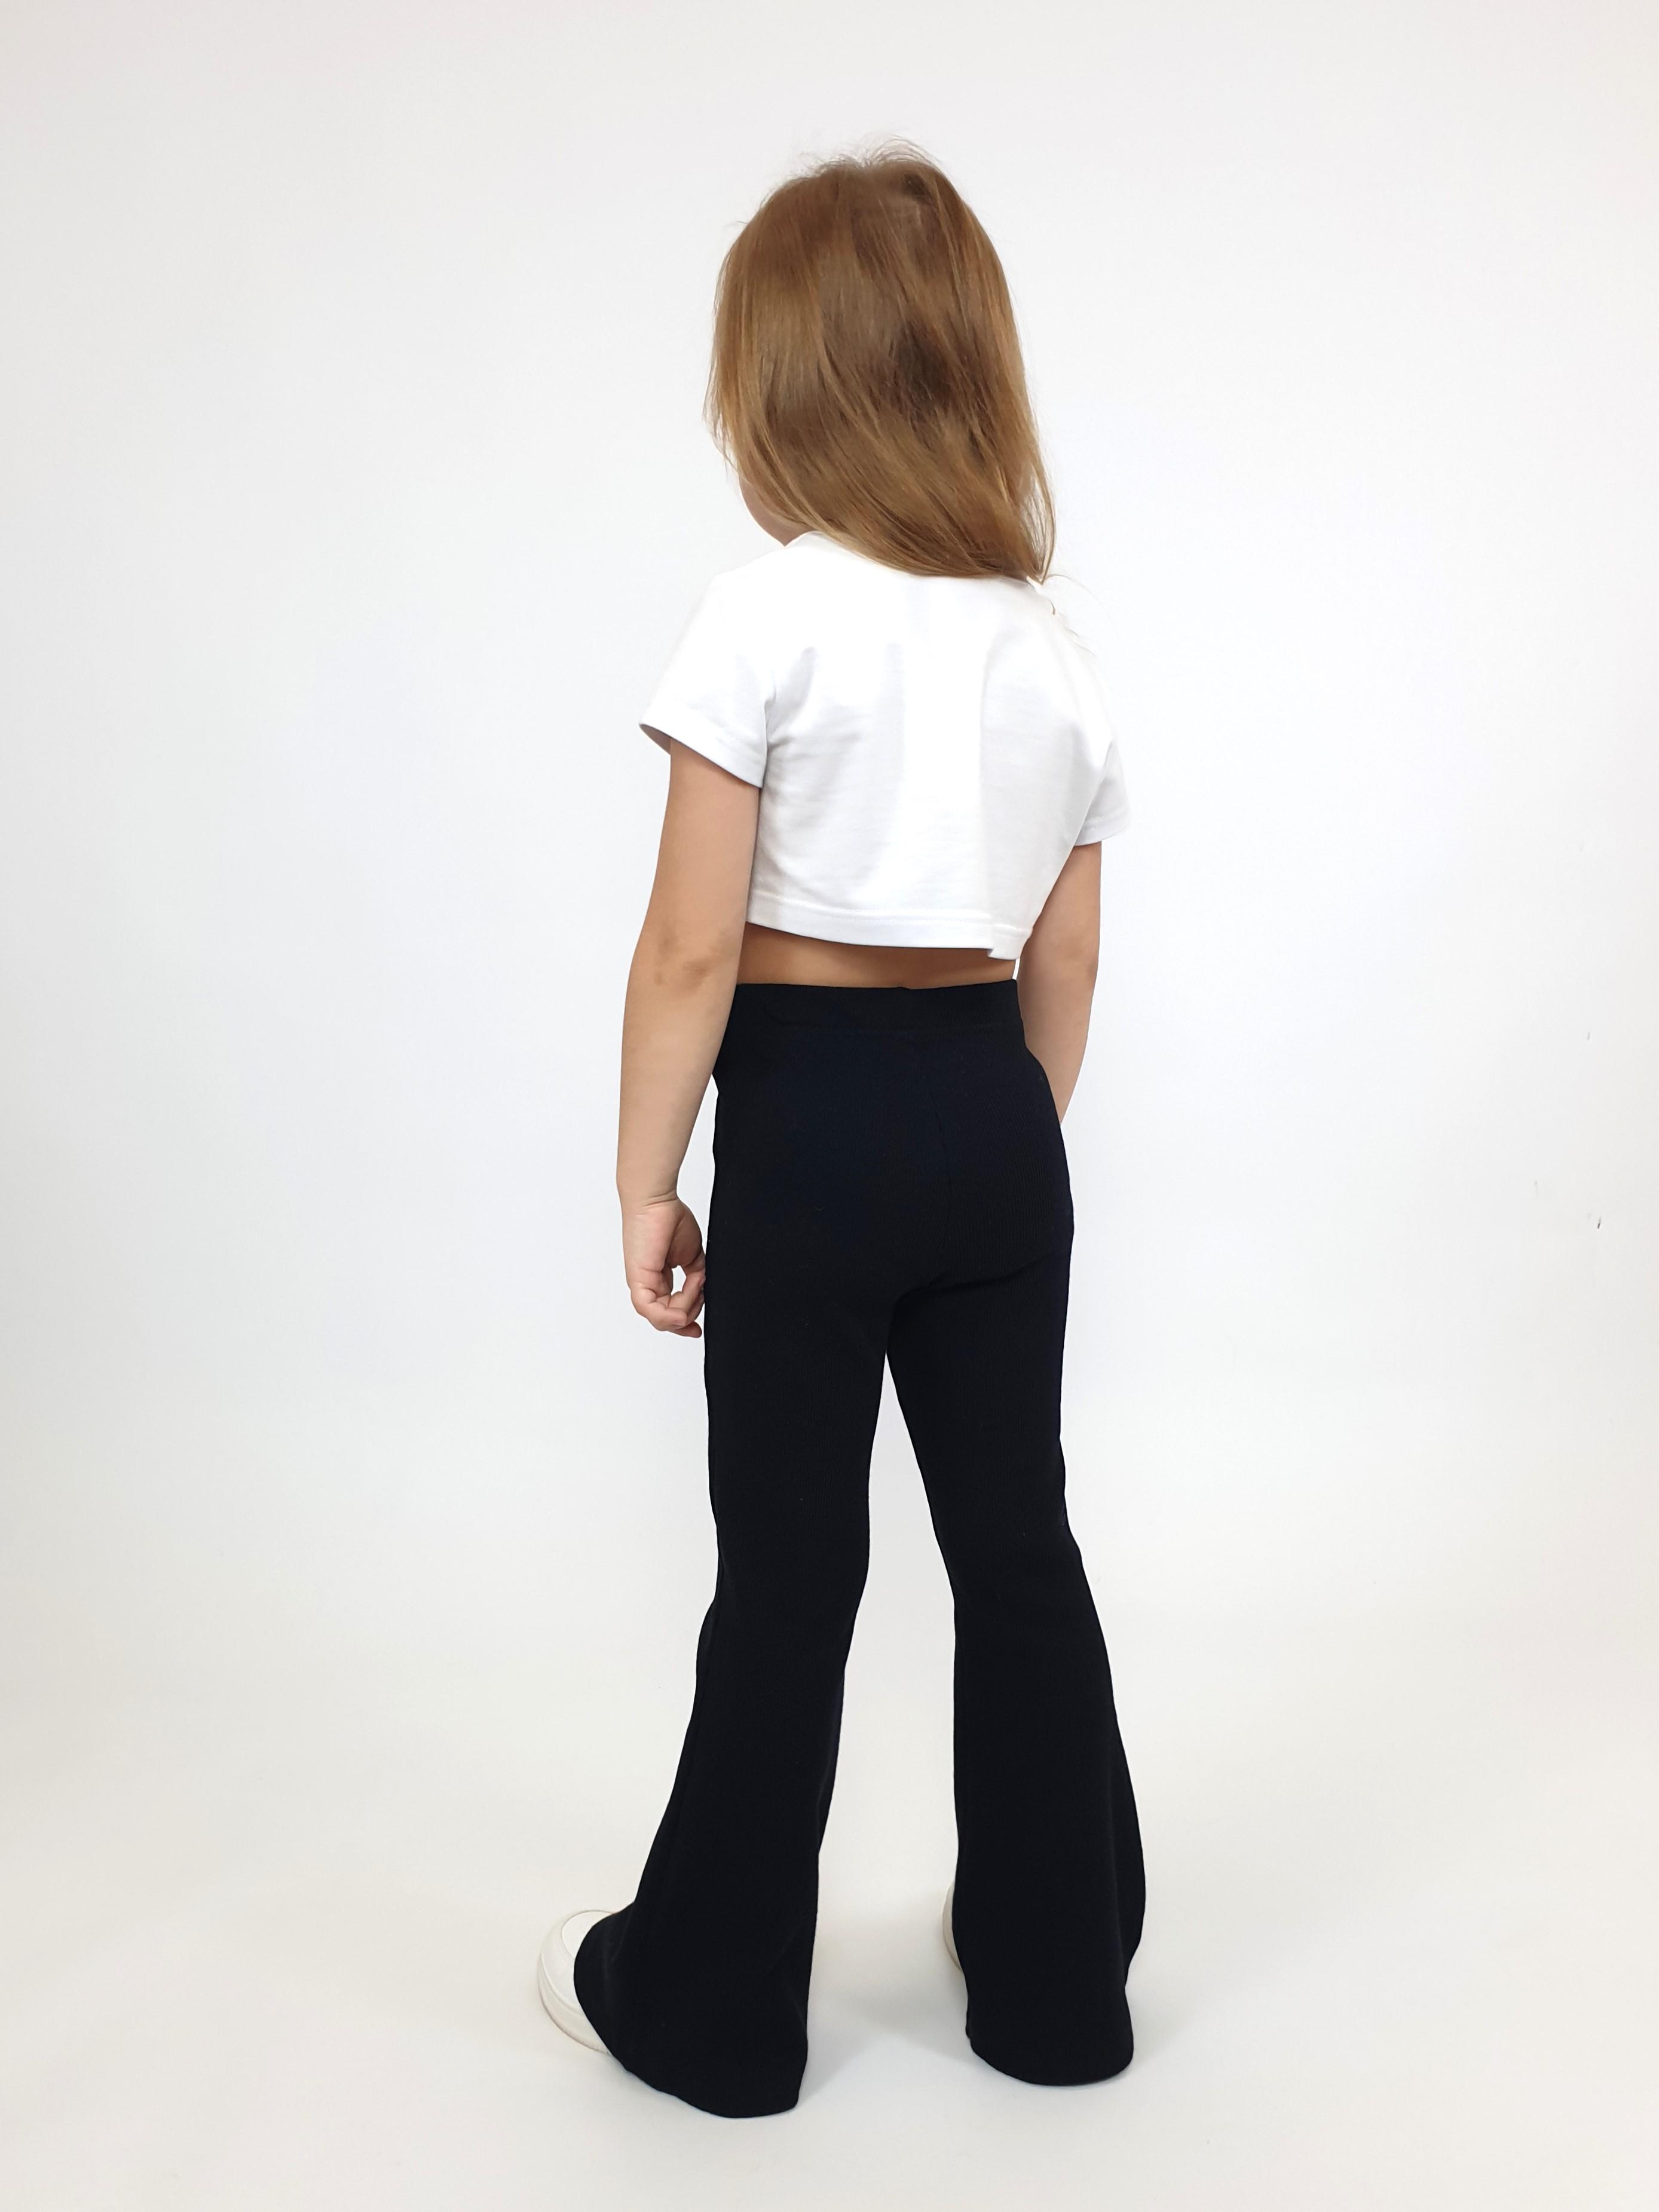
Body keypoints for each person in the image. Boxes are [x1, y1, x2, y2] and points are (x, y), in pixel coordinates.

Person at [535, 142, 1145, 2120]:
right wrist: (1000, 1144)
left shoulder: (763, 618)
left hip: (810, 1123)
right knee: (1017, 1543)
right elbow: (1067, 960)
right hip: (995, 1117)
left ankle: (715, 2015)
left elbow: (691, 944)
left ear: (782, 385)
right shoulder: (1051, 648)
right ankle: (1060, 1990)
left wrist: (649, 1178)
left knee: (791, 1577)